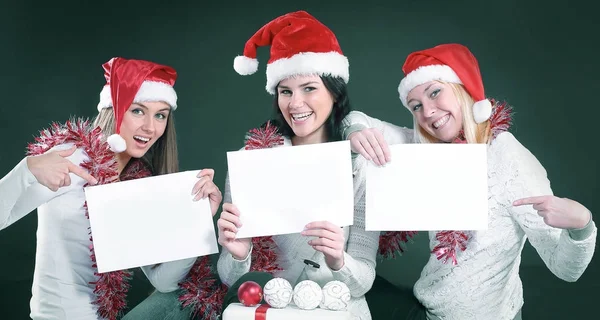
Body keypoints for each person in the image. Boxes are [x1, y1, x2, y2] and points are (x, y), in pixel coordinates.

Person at [342, 43, 597, 319]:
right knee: (348, 295)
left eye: (435, 93)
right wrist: (356, 131)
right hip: (429, 310)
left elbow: (566, 269)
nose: (427, 113)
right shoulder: (430, 148)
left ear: (463, 90)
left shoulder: (509, 159)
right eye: (416, 106)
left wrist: (582, 226)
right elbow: (357, 120)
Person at [0, 57, 223, 320]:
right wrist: (28, 169)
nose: (150, 127)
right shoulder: (71, 159)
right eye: (138, 110)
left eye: (160, 115)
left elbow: (163, 282)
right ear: (113, 109)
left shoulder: (138, 183)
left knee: (184, 299)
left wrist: (197, 220)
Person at [216, 10, 383, 320]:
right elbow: (228, 276)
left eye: (309, 88)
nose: (295, 104)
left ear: (334, 92)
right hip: (267, 311)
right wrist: (239, 255)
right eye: (285, 91)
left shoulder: (359, 165)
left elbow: (363, 281)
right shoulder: (253, 161)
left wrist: (338, 260)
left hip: (336, 312)